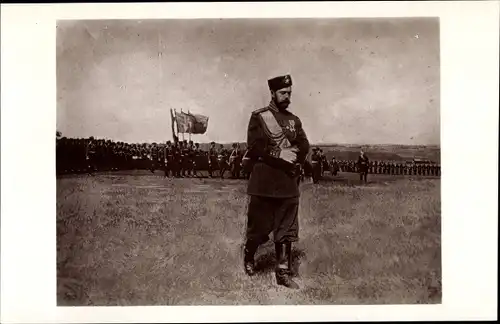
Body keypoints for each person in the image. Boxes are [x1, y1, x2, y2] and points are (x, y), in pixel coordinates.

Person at [243, 74, 310, 289]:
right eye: (283, 93)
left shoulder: (294, 120)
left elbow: (304, 144)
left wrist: (295, 155)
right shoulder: (259, 117)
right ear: (272, 93)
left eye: (289, 93)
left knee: (287, 229)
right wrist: (279, 154)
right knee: (259, 229)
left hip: (287, 182)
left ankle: (282, 272)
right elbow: (254, 147)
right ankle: (249, 256)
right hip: (264, 182)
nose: (287, 96)